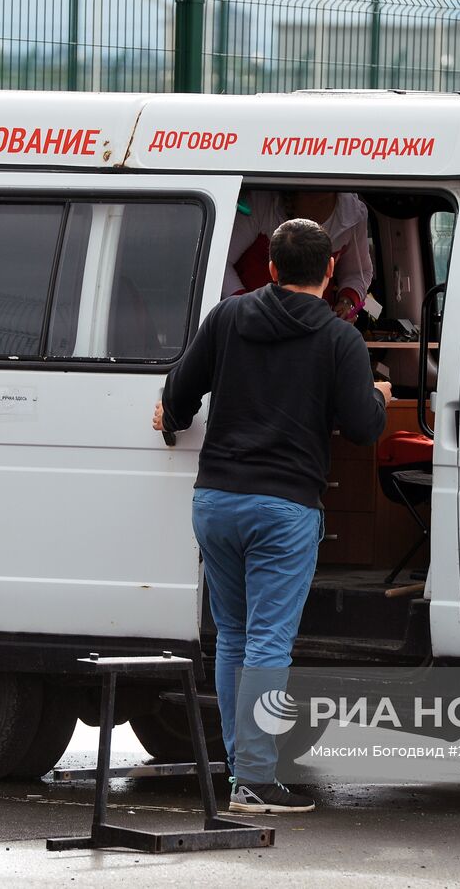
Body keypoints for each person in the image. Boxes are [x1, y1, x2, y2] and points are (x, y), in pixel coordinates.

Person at [153, 218, 390, 813]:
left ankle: (243, 774)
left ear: (272, 268)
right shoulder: (340, 340)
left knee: (232, 635)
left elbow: (180, 391)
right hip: (283, 508)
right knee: (267, 642)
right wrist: (380, 397)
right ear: (330, 269)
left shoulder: (230, 317)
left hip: (216, 502)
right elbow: (362, 428)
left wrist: (171, 418)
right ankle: (254, 779)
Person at [223, 191, 373, 322]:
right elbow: (220, 262)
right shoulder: (260, 201)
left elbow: (358, 272)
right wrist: (246, 310)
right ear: (329, 268)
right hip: (254, 327)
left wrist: (347, 302)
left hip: (313, 326)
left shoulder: (354, 214)